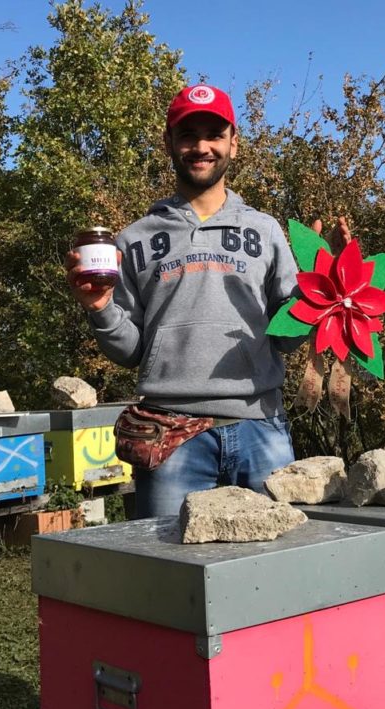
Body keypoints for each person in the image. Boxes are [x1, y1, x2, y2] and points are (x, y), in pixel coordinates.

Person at [67, 83, 349, 517]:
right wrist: (100, 307)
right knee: (169, 575)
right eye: (188, 135)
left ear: (233, 144)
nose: (201, 147)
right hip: (168, 436)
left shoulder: (266, 230)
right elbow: (130, 351)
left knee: (271, 571)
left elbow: (286, 339)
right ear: (169, 143)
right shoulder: (135, 239)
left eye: (214, 135)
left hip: (261, 429)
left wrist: (322, 284)